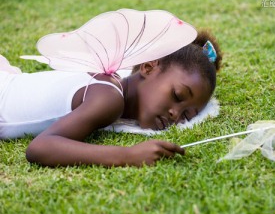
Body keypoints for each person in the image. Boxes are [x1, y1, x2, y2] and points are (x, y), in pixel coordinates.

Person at [0, 30, 222, 167]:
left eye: (187, 115)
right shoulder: (109, 99)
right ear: (147, 66)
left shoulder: (120, 82)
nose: (175, 114)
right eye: (177, 95)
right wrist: (127, 155)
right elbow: (40, 148)